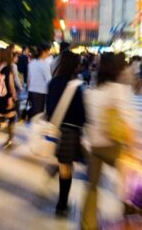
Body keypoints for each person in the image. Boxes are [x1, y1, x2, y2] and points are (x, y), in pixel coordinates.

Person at [81, 53, 137, 230]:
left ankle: (88, 224)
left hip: (94, 145)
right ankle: (130, 219)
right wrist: (132, 147)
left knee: (92, 186)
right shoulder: (118, 90)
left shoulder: (91, 91)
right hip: (114, 146)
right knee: (130, 185)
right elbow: (125, 122)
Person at [46, 50, 86, 217]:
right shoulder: (76, 85)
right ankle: (62, 205)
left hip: (55, 130)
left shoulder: (52, 83)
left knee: (61, 163)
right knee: (66, 169)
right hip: (70, 131)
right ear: (75, 66)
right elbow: (82, 115)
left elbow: (49, 110)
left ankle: (54, 168)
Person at [27, 43, 52, 118]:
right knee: (38, 115)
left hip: (31, 91)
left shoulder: (32, 63)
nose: (49, 53)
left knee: (32, 112)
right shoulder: (44, 65)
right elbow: (49, 81)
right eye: (48, 51)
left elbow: (29, 78)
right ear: (44, 52)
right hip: (41, 93)